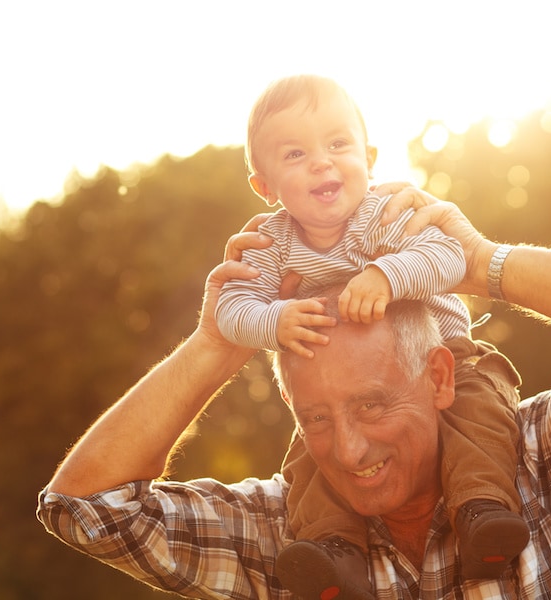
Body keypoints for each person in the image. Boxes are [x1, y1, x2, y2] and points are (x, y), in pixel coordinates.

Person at [37, 187, 551, 599]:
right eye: (316, 418)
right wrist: (218, 343)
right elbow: (86, 507)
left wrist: (481, 265)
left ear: (441, 377)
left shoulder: (550, 462)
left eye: (372, 404)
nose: (349, 449)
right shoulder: (287, 539)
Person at [214, 74, 528, 597]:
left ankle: (481, 508)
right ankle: (334, 551)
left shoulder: (384, 213)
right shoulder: (270, 242)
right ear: (264, 186)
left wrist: (387, 275)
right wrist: (274, 319)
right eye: (295, 154)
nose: (321, 162)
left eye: (338, 144)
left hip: (443, 353)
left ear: (370, 157)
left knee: (480, 415)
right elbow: (232, 307)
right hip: (343, 385)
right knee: (316, 457)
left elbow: (451, 256)